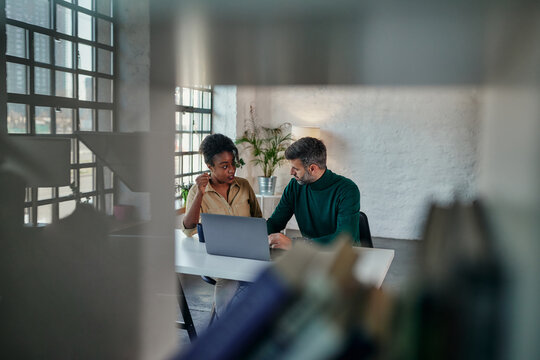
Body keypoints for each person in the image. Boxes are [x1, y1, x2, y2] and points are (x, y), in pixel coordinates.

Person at [182, 133, 262, 318]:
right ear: (209, 167)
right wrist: (201, 194)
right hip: (217, 258)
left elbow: (258, 219)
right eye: (224, 166)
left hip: (247, 253)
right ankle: (225, 327)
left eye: (233, 164)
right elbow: (187, 229)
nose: (231, 170)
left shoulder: (244, 186)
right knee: (229, 277)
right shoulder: (198, 190)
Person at [267, 137, 360, 250]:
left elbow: (345, 239)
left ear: (312, 168)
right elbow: (275, 222)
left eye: (295, 168)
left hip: (343, 257)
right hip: (309, 254)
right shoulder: (294, 186)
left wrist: (294, 244)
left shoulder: (347, 190)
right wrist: (258, 235)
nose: (291, 172)